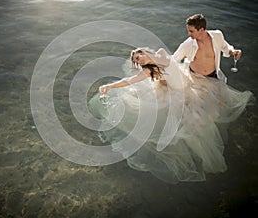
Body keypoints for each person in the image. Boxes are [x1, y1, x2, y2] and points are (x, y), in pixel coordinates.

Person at [88, 47, 254, 183]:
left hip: (187, 85)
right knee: (183, 125)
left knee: (204, 113)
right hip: (173, 94)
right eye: (137, 61)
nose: (141, 61)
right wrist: (110, 86)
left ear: (145, 52)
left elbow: (178, 59)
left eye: (140, 56)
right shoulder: (147, 71)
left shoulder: (161, 52)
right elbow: (129, 81)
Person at [173, 13, 241, 82]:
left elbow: (225, 46)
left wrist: (233, 52)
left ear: (201, 30)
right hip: (195, 79)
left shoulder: (217, 36)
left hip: (213, 76)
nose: (189, 34)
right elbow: (174, 59)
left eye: (191, 31)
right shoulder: (188, 44)